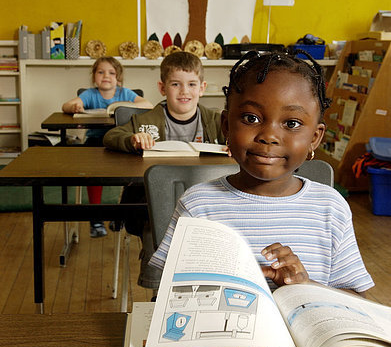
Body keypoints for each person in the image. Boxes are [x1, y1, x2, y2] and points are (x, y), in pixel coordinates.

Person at [150, 48, 374, 296]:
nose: (268, 136)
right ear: (226, 125)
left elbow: (356, 299)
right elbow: (168, 292)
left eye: (292, 123)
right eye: (250, 118)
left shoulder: (331, 208)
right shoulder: (197, 205)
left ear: (315, 137)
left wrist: (305, 286)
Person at [103, 52, 225, 292]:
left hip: (203, 201)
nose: (184, 92)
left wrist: (233, 146)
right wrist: (133, 140)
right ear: (162, 87)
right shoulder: (147, 119)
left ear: (202, 88)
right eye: (175, 84)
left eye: (191, 84)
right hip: (155, 202)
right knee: (160, 222)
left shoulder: (216, 120)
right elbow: (111, 136)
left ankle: (206, 288)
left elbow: (244, 139)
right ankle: (159, 292)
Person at [62, 56, 153, 237]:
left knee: (133, 173)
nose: (106, 76)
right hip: (95, 143)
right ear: (94, 76)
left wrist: (123, 106)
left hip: (121, 143)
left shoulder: (124, 93)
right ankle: (96, 217)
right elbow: (66, 105)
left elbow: (148, 105)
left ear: (118, 78)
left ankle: (119, 214)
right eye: (101, 72)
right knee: (94, 175)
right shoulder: (90, 94)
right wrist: (76, 105)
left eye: (111, 73)